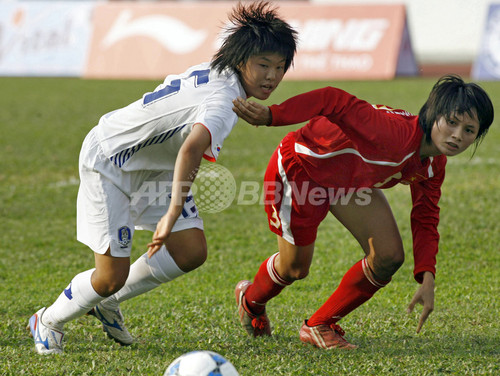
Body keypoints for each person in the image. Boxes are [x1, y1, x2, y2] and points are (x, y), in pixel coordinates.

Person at [28, 1, 297, 355]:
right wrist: (172, 211)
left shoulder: (217, 72)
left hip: (153, 163)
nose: (272, 77)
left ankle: (106, 304)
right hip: (111, 160)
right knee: (108, 277)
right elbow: (190, 149)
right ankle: (48, 320)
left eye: (280, 67)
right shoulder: (223, 99)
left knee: (189, 252)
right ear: (240, 59)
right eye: (263, 65)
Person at [232, 75, 494, 349]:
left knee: (388, 256)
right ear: (433, 114)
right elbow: (331, 99)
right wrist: (272, 115)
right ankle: (250, 300)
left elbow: (425, 217)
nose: (457, 135)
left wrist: (426, 275)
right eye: (451, 122)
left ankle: (319, 325)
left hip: (349, 182)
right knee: (294, 269)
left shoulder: (434, 164)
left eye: (469, 130)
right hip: (302, 169)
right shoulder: (394, 132)